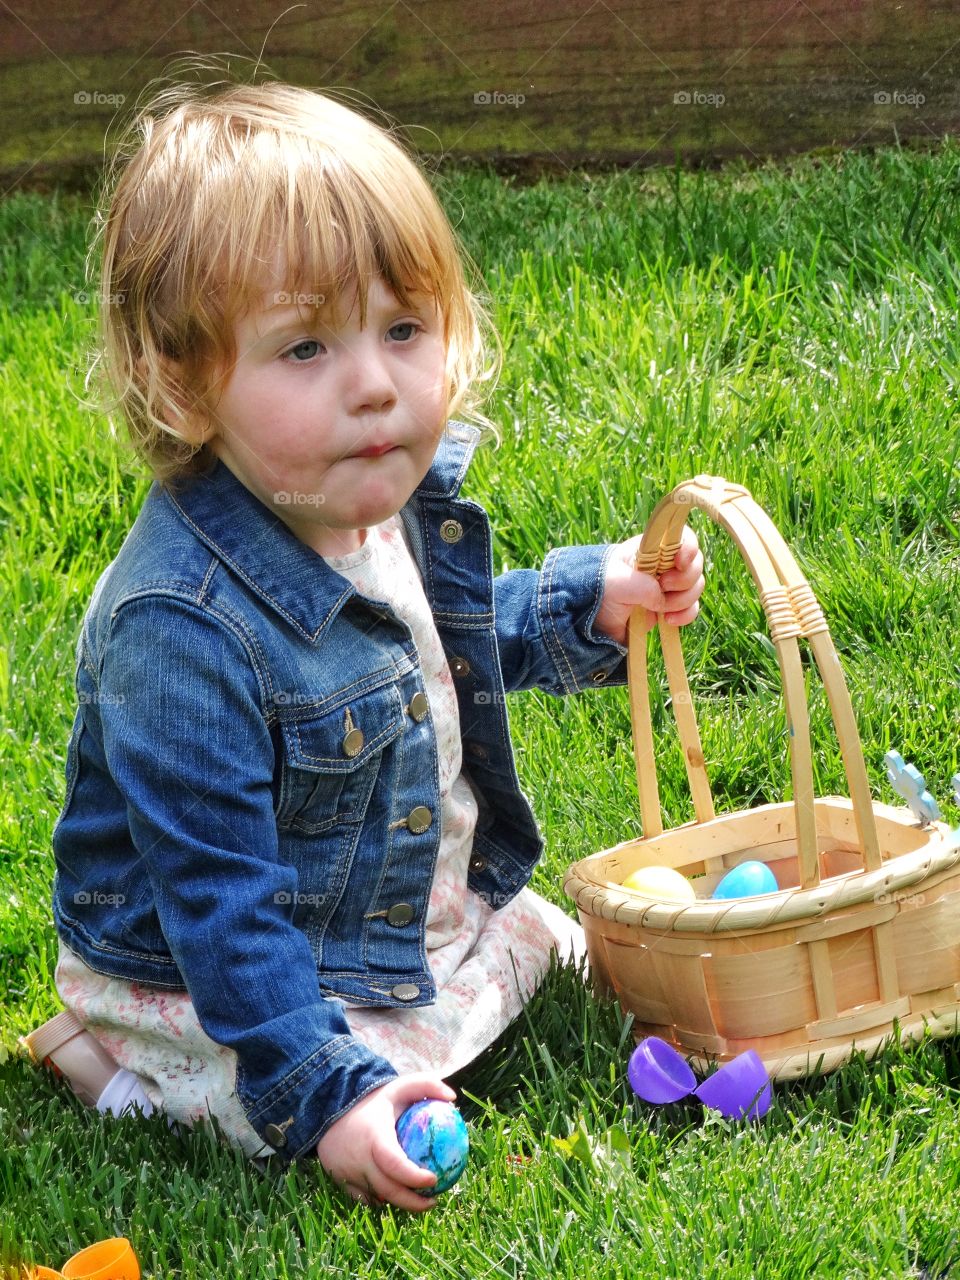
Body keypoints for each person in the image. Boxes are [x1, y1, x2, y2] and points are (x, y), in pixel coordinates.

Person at [40, 77, 704, 1212]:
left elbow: (420, 658)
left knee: (570, 945)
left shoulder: (359, 502)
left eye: (404, 328)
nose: (374, 385)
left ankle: (401, 995)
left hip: (394, 916)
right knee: (326, 1094)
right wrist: (329, 1093)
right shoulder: (178, 629)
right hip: (235, 973)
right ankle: (116, 1067)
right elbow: (223, 906)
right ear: (185, 382)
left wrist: (577, 604)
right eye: (305, 348)